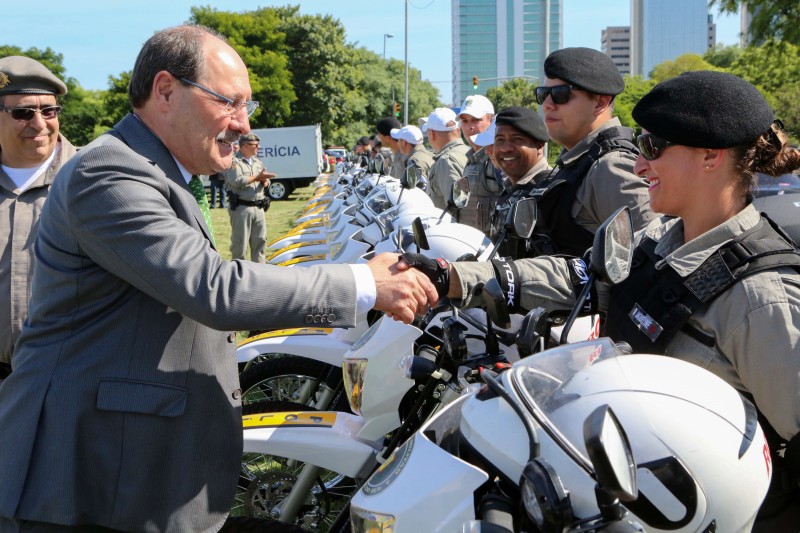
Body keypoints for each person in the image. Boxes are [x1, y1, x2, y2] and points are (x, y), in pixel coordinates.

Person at [0, 25, 436, 533]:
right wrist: (363, 283)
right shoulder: (110, 173)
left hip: (120, 470)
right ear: (165, 91)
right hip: (81, 481)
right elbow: (214, 288)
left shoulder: (157, 172)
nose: (242, 123)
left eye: (247, 107)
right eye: (229, 102)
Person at [407, 71, 800, 532]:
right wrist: (456, 276)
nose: (638, 166)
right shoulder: (659, 239)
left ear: (711, 155)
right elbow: (580, 275)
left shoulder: (761, 297)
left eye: (653, 147)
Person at [530, 47, 655, 256]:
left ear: (600, 102)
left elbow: (651, 254)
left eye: (561, 95)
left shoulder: (611, 167)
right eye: (543, 95)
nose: (547, 105)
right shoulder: (579, 162)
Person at [0, 56, 77, 380]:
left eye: (49, 111)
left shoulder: (92, 181)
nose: (40, 123)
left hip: (70, 380)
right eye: (23, 113)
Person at [486, 106, 552, 258]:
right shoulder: (509, 189)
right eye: (499, 140)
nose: (505, 148)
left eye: (517, 139)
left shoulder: (552, 191)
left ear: (539, 146)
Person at [224, 132, 272, 262]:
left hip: (259, 207)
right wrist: (258, 177)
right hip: (242, 208)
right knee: (240, 244)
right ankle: (240, 276)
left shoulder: (257, 162)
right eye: (255, 145)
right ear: (245, 145)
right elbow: (237, 181)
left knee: (260, 242)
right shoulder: (234, 162)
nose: (258, 148)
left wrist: (266, 182)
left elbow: (265, 179)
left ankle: (260, 274)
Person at [457, 95, 500, 234]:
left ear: (491, 121)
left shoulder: (496, 158)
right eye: (465, 121)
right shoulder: (471, 159)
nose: (470, 126)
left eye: (476, 120)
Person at [423, 107, 470, 209]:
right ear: (458, 130)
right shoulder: (468, 151)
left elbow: (456, 210)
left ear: (432, 134)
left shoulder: (446, 161)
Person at [391, 124, 433, 191]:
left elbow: (419, 190)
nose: (398, 143)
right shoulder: (430, 155)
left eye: (398, 140)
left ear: (404, 143)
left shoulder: (414, 161)